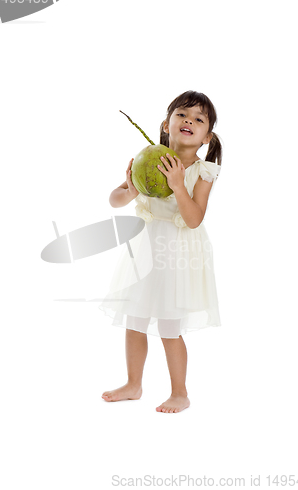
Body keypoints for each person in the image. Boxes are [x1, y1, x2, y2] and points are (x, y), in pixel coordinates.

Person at [99, 90, 222, 413]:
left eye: (198, 119)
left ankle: (180, 392)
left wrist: (179, 184)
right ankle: (133, 384)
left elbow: (194, 219)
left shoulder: (203, 171)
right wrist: (130, 187)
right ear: (166, 124)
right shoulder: (148, 158)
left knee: (170, 325)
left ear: (206, 136)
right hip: (145, 249)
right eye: (182, 114)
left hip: (178, 254)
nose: (189, 121)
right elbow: (115, 200)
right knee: (135, 319)